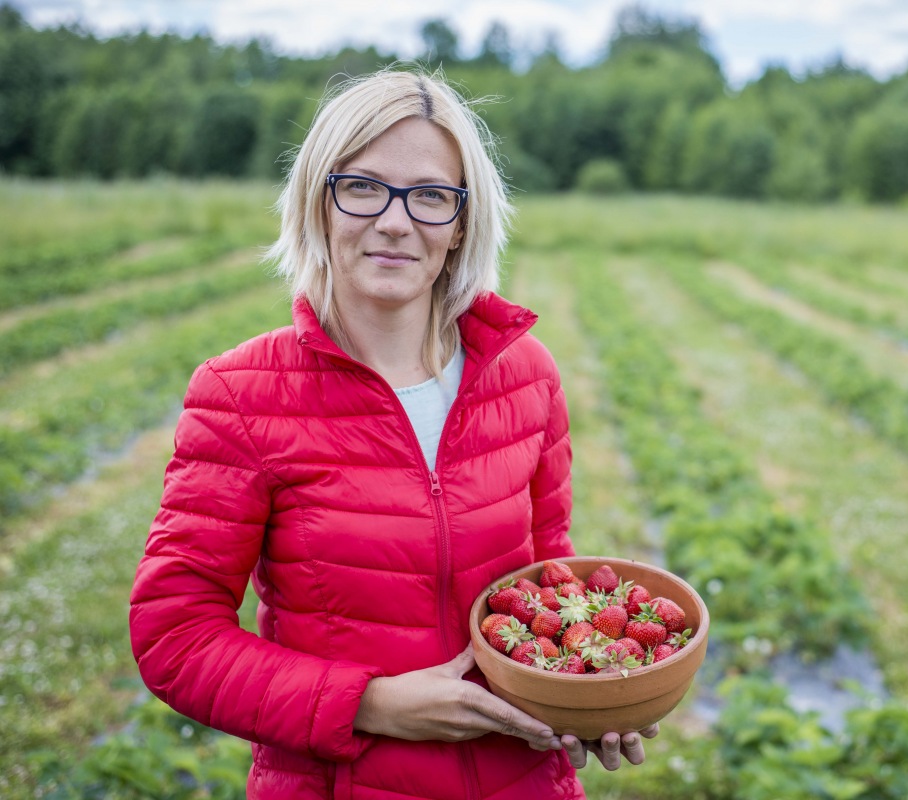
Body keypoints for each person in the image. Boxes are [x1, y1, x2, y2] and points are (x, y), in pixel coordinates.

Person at [129, 67, 655, 800]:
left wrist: (595, 690)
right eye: (364, 186)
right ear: (320, 202)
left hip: (522, 780)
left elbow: (546, 578)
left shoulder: (525, 375)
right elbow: (175, 639)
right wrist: (368, 704)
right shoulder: (242, 396)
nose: (396, 220)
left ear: (462, 221)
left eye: (431, 196)